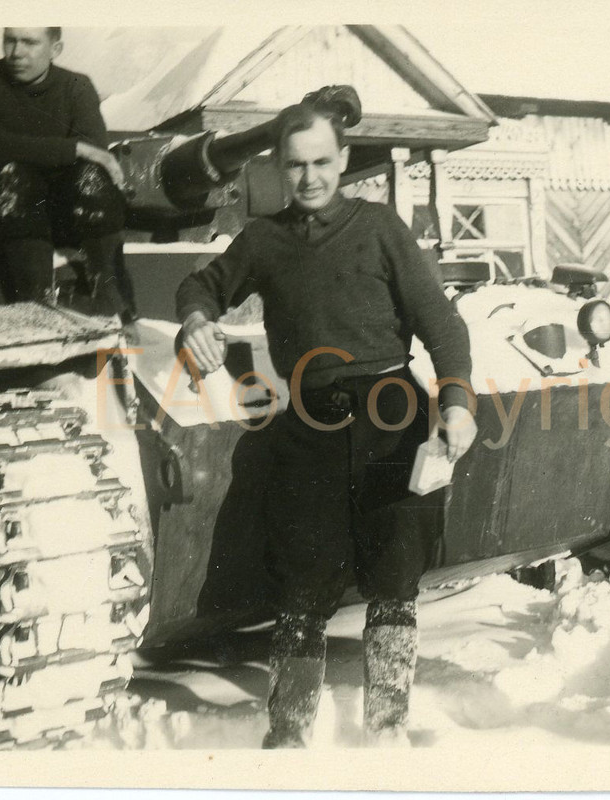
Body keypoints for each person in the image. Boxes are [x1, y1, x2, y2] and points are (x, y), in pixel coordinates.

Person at [175, 99, 478, 748]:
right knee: (301, 587)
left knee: (395, 580)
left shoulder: (378, 228)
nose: (309, 177)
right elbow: (202, 285)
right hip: (309, 426)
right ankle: (287, 737)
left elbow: (441, 323)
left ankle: (386, 732)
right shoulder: (263, 239)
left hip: (391, 415)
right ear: (279, 169)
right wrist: (197, 320)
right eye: (295, 165)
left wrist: (456, 400)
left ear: (342, 160)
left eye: (321, 162)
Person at [0, 27, 134, 320]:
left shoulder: (76, 86)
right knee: (18, 176)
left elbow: (95, 154)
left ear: (56, 49)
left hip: (67, 214)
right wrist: (73, 149)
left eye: (29, 42)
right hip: (5, 214)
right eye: (10, 40)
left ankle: (112, 304)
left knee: (91, 177)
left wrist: (76, 151)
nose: (16, 52)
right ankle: (39, 307)